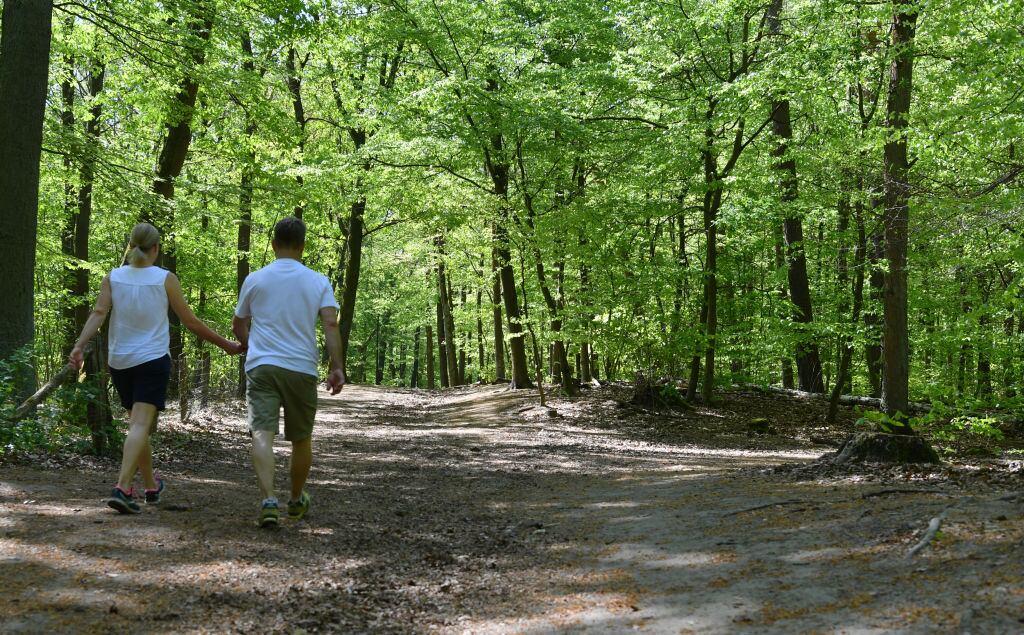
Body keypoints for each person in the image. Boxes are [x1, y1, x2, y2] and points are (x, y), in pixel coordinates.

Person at [70, 222, 244, 513]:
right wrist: (225, 344)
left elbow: (99, 313)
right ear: (156, 249)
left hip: (120, 361)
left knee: (137, 426)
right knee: (139, 426)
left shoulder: (113, 277)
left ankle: (151, 486)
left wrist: (78, 345)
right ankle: (122, 488)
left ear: (131, 245)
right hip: (152, 360)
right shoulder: (166, 279)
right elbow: (190, 322)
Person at [232, 216, 345, 528]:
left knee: (261, 432)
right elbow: (330, 323)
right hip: (301, 367)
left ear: (273, 244)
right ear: (303, 246)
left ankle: (269, 499)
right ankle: (295, 500)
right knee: (301, 438)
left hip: (262, 366)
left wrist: (248, 343)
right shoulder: (318, 281)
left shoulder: (255, 279)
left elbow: (239, 323)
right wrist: (336, 367)